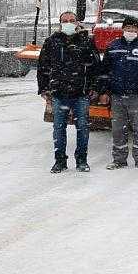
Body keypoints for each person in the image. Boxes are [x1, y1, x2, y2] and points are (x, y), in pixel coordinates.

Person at [37, 11, 101, 173]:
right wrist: (44, 89)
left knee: (83, 129)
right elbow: (43, 67)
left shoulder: (86, 41)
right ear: (60, 23)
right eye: (65, 21)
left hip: (81, 93)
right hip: (59, 93)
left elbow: (95, 66)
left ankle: (81, 160)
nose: (68, 23)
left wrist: (95, 87)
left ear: (78, 23)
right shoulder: (51, 42)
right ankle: (60, 161)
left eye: (71, 20)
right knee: (59, 129)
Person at [97, 16, 138, 169]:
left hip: (137, 95)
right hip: (117, 95)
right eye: (128, 29)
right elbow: (104, 71)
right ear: (123, 30)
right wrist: (104, 91)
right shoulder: (113, 46)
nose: (130, 31)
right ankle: (119, 160)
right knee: (118, 129)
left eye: (133, 29)